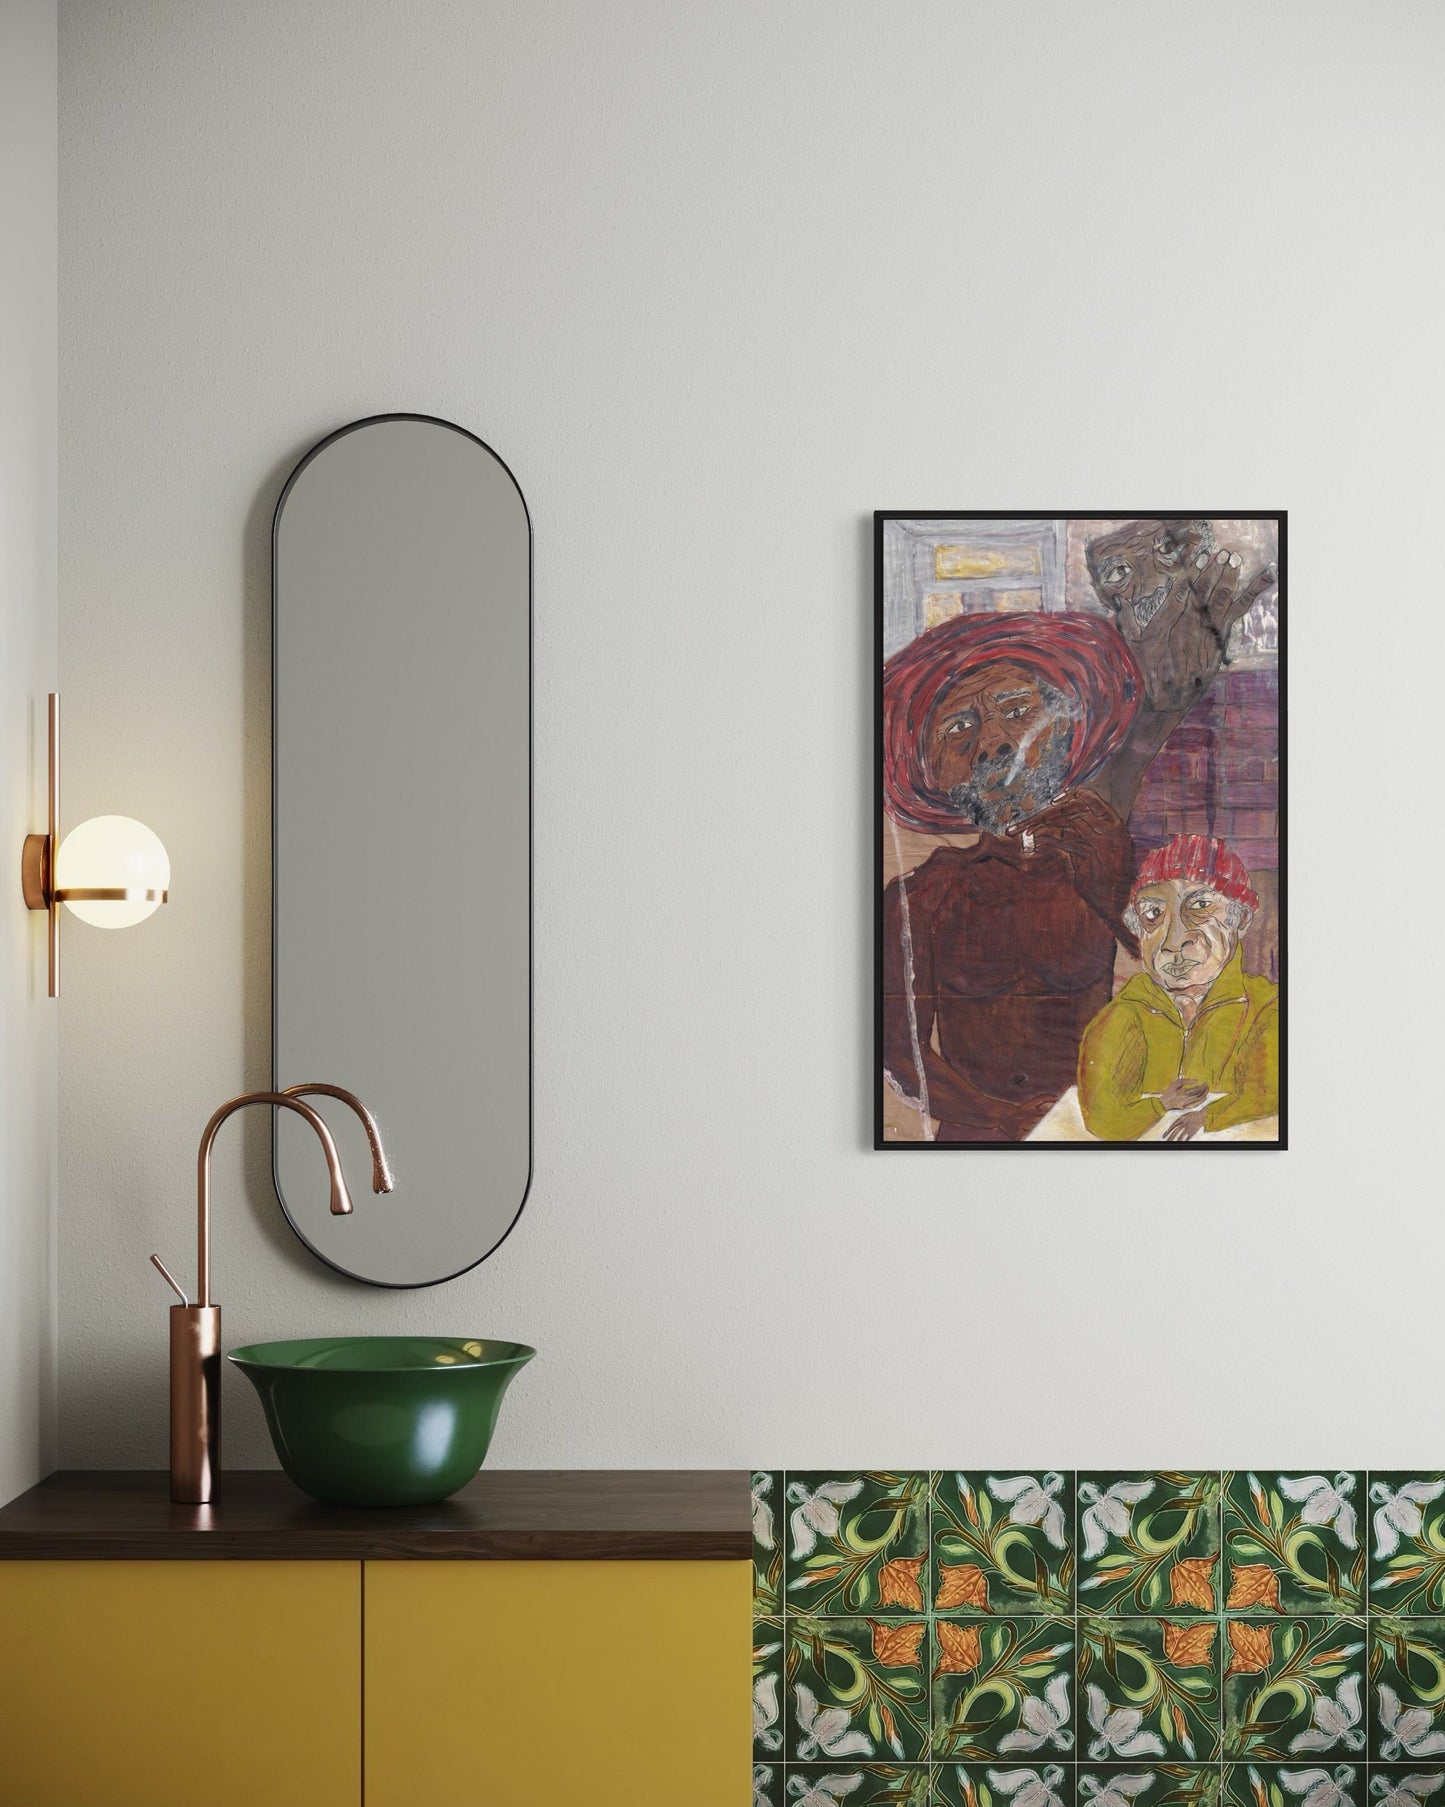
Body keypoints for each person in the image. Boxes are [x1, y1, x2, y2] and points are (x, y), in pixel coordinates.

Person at [882, 613, 1141, 1142]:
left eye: (1017, 711)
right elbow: (896, 1056)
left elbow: (1176, 968)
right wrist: (1000, 1117)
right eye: (959, 728)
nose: (995, 744)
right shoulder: (921, 898)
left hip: (1097, 1136)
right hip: (974, 1146)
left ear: (1064, 727)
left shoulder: (1101, 847)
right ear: (935, 770)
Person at [1073, 833, 1279, 1141]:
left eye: (1200, 905)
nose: (1173, 941)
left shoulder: (1267, 1008)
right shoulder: (1124, 1015)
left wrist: (1207, 1116)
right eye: (1153, 914)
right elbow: (1103, 1118)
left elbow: (1271, 1094)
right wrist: (1161, 1105)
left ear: (1241, 919)